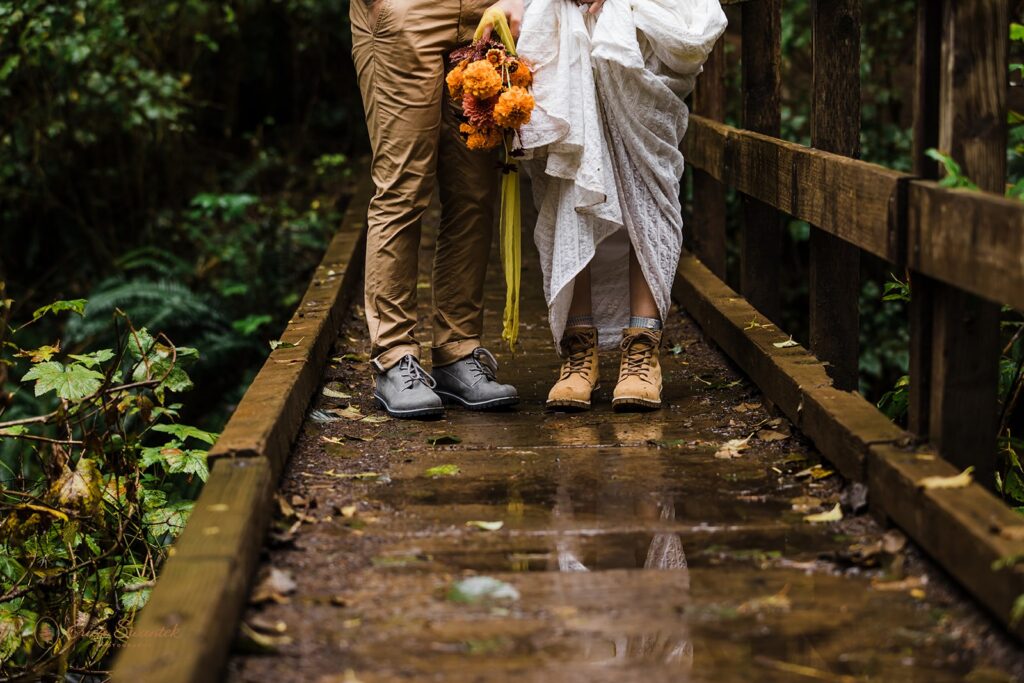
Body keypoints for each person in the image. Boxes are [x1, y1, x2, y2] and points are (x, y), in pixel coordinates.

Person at [517, 0, 727, 410]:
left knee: (647, 180)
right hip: (570, 17)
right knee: (574, 175)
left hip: (646, 19)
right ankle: (580, 351)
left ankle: (643, 346)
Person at [350, 0, 525, 418]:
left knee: (474, 193)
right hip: (406, 15)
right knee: (401, 189)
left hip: (485, 12)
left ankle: (457, 351)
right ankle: (393, 357)